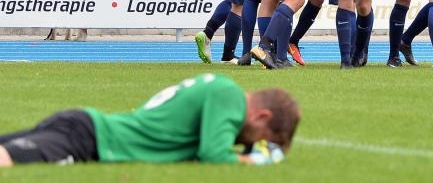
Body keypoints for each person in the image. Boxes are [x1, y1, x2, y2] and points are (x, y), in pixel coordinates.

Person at [0, 73, 300, 166]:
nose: (250, 144)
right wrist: (256, 161)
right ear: (262, 115)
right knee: (10, 159)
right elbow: (213, 153)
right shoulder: (229, 96)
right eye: (261, 139)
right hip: (89, 137)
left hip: (85, 126)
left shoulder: (219, 89)